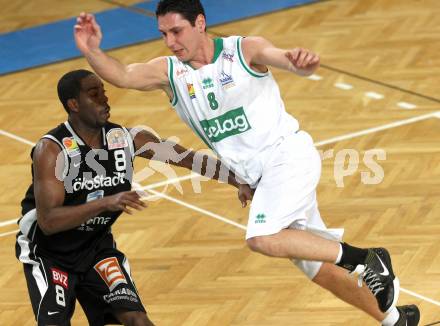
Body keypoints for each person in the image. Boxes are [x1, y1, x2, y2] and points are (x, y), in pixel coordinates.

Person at [73, 1, 420, 325]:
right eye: (163, 34)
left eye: (176, 32)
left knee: (262, 237)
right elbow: (122, 75)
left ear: (200, 23)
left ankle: (365, 258)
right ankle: (395, 319)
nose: (170, 42)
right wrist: (92, 51)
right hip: (261, 178)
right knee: (317, 267)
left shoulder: (243, 50)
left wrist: (298, 62)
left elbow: (280, 56)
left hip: (287, 157)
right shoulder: (170, 73)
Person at [15, 69, 252, 326]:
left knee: (138, 320)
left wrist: (237, 179)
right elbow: (49, 221)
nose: (105, 101)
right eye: (94, 95)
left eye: (104, 93)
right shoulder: (51, 149)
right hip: (49, 254)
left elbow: (187, 158)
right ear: (73, 104)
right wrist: (106, 202)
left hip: (95, 248)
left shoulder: (126, 139)